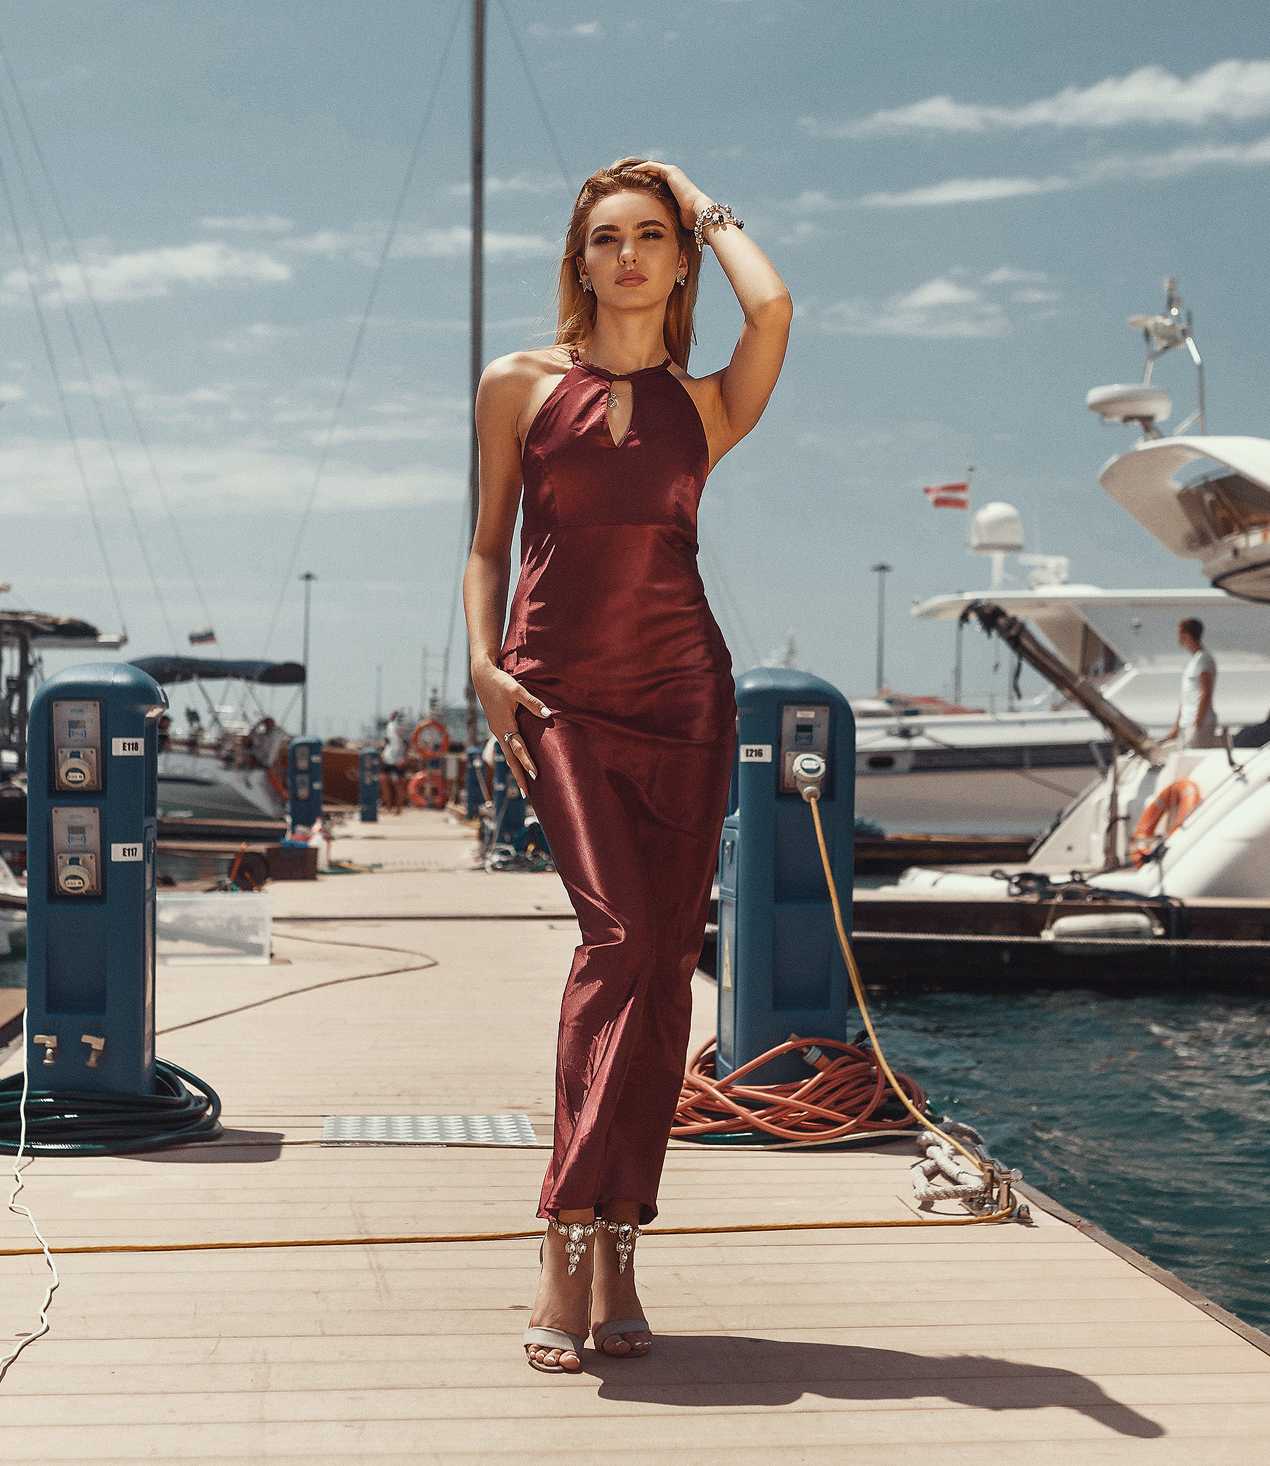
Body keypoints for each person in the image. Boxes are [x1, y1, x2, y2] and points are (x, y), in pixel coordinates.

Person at [462, 158, 789, 1373]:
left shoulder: (706, 405)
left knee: (664, 971)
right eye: (609, 237)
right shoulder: (516, 384)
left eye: (653, 236)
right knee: (617, 943)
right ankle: (563, 1227)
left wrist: (698, 193)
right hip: (558, 695)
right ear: (580, 260)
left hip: (686, 697)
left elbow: (776, 311)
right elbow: (487, 542)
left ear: (679, 258)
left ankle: (622, 1238)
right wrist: (483, 665)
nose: (632, 254)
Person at [1166, 617, 1219, 748]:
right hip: (1187, 722)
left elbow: (1205, 692)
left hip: (1199, 723)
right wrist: (1177, 725)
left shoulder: (1203, 659)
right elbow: (1185, 696)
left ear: (1187, 635)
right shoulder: (1195, 660)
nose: (1178, 638)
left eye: (1179, 634)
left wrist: (1197, 723)